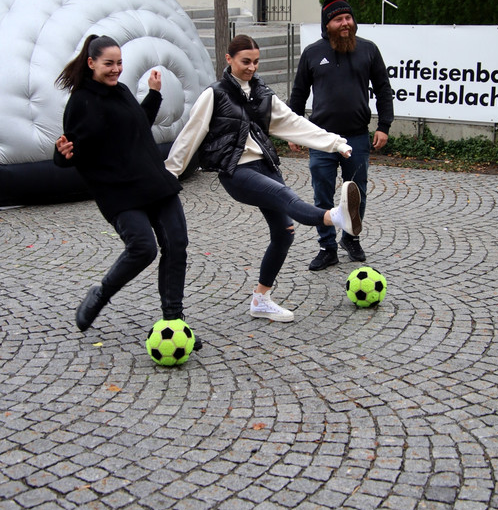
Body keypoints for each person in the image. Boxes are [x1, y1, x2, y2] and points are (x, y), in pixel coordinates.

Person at [165, 34, 361, 323]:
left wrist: (334, 142)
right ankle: (336, 217)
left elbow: (293, 123)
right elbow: (190, 134)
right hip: (237, 171)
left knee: (284, 232)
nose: (252, 67)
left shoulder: (262, 93)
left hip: (266, 166)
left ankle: (261, 299)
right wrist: (169, 173)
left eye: (256, 62)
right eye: (245, 61)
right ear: (229, 59)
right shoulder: (214, 94)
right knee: (285, 197)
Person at [54, 33, 200, 347]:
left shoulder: (120, 90)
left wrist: (154, 94)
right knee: (143, 248)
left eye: (119, 63)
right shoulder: (81, 102)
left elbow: (137, 125)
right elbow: (72, 150)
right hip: (118, 191)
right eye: (109, 63)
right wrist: (61, 154)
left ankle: (173, 321)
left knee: (176, 244)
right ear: (91, 63)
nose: (116, 69)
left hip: (153, 181)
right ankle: (100, 294)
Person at [288, 0, 394, 270]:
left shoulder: (368, 50)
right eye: (338, 19)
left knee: (356, 192)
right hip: (321, 139)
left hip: (357, 137)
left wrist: (384, 126)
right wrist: (293, 132)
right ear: (327, 25)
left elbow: (383, 89)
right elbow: (298, 94)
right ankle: (327, 247)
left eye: (348, 18)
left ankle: (351, 238)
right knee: (322, 195)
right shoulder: (312, 53)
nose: (345, 23)